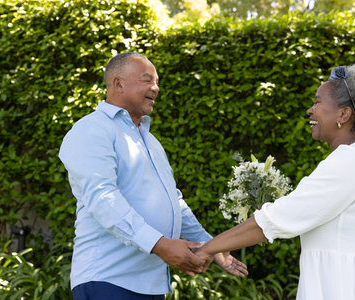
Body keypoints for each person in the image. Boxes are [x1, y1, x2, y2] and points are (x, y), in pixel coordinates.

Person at [195, 63, 355, 300]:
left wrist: (209, 248)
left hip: (349, 288)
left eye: (317, 102)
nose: (310, 110)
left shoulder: (349, 161)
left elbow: (276, 219)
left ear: (343, 114)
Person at [59, 52, 247, 300]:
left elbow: (175, 202)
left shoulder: (151, 141)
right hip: (108, 280)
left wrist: (211, 246)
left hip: (152, 285)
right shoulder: (91, 129)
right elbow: (102, 198)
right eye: (147, 80)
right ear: (118, 83)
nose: (155, 88)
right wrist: (160, 245)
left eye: (157, 82)